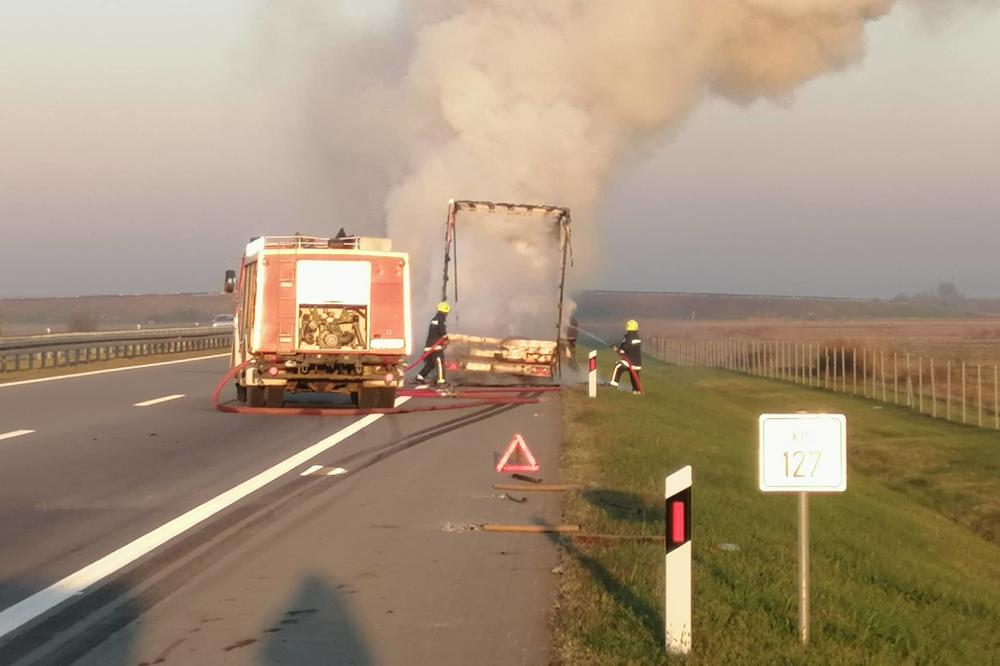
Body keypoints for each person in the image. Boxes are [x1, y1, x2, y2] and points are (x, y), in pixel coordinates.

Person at [416, 301, 450, 385]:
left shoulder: (434, 319)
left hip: (429, 346)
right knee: (439, 363)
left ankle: (420, 376)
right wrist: (447, 339)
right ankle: (441, 381)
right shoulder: (440, 320)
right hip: (435, 347)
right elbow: (442, 332)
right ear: (445, 311)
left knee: (430, 364)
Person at [610, 319, 642, 393]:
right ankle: (637, 390)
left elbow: (623, 350)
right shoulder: (636, 337)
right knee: (634, 378)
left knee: (618, 366)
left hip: (629, 362)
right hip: (637, 364)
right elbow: (625, 347)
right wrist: (617, 348)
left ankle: (613, 385)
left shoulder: (629, 338)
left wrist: (616, 349)